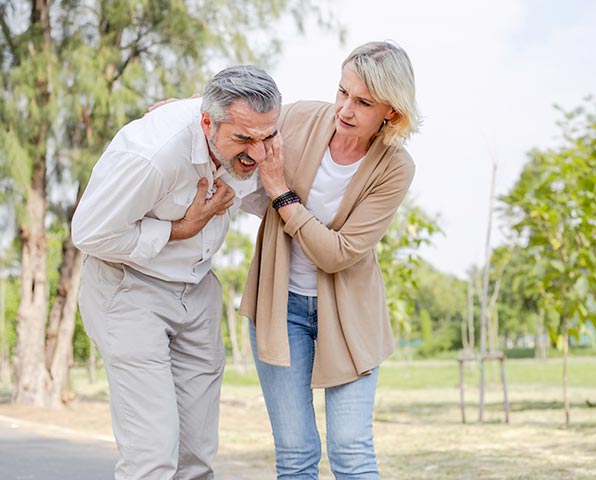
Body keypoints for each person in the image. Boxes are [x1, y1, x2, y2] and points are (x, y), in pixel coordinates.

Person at [72, 65, 282, 480]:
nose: (257, 154)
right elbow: (90, 233)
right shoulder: (151, 155)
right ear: (206, 122)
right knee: (152, 457)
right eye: (243, 139)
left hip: (197, 290)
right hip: (128, 290)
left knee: (196, 458)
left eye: (267, 138)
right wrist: (179, 229)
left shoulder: (254, 127)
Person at [240, 41, 420, 479]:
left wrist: (281, 194)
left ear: (391, 113)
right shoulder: (301, 117)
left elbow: (337, 254)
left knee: (351, 451)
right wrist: (184, 108)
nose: (345, 108)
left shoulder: (396, 168)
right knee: (296, 453)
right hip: (279, 308)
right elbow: (239, 114)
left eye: (362, 102)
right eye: (342, 92)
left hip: (350, 317)